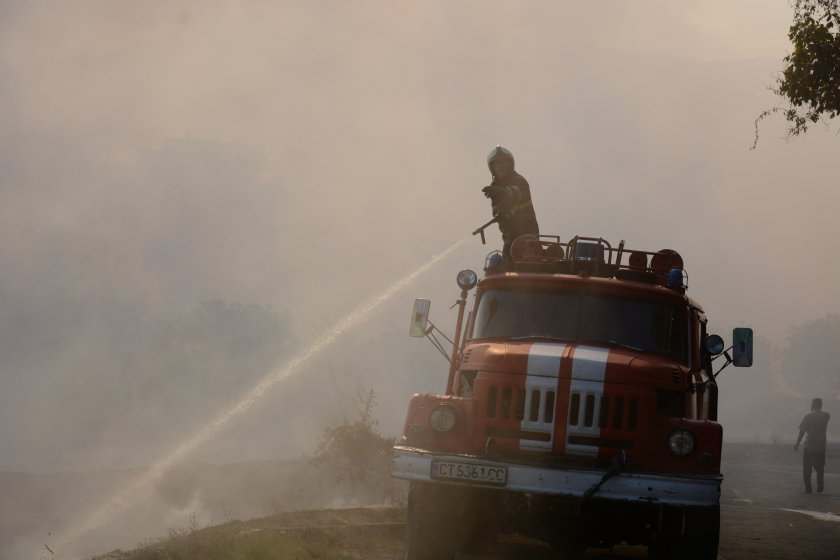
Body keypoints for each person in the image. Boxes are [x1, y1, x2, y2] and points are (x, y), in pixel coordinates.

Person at [481, 146, 539, 265]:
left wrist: (499, 191)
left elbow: (515, 193)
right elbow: (496, 212)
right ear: (492, 168)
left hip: (527, 238)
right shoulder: (494, 188)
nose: (501, 166)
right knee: (504, 268)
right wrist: (499, 214)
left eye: (504, 162)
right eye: (498, 163)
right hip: (509, 239)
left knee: (528, 267)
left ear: (510, 164)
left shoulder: (519, 180)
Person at [794, 397, 830, 493]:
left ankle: (808, 488)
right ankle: (820, 483)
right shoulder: (826, 415)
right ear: (821, 405)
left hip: (810, 445)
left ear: (813, 405)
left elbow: (802, 431)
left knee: (807, 467)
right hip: (821, 446)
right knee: (819, 467)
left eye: (811, 404)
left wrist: (797, 443)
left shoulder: (808, 416)